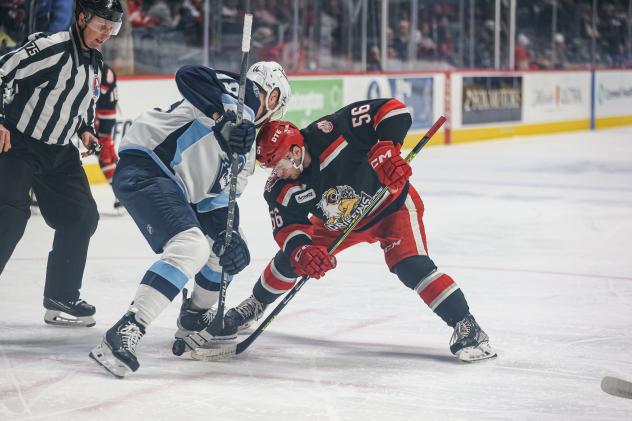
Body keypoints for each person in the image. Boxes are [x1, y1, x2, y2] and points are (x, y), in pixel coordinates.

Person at [220, 98, 497, 362]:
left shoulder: (334, 130)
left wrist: (387, 147)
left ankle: (467, 325)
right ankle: (255, 304)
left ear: (294, 151)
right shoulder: (280, 187)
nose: (276, 172)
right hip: (339, 223)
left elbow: (392, 111)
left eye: (277, 164)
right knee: (291, 259)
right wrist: (302, 251)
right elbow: (288, 228)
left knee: (411, 266)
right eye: (270, 166)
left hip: (391, 204)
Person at [89, 61, 292, 378]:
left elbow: (218, 202)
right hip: (148, 165)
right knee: (191, 245)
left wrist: (231, 241)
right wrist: (222, 118)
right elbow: (188, 74)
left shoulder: (247, 149)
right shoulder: (241, 94)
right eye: (276, 106)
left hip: (177, 188)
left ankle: (194, 319)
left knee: (223, 249)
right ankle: (126, 329)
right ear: (273, 94)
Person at [0, 0, 124, 327]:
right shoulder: (50, 48)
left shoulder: (95, 63)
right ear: (82, 18)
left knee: (81, 217)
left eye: (111, 28)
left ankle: (61, 295)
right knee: (9, 219)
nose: (105, 34)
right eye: (101, 25)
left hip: (59, 153)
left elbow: (81, 105)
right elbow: (2, 70)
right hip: (20, 145)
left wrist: (85, 131)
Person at [94, 62, 123, 211]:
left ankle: (120, 192)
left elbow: (96, 95)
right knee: (106, 152)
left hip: (103, 117)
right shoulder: (105, 69)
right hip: (105, 116)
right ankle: (120, 190)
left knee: (104, 155)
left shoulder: (104, 70)